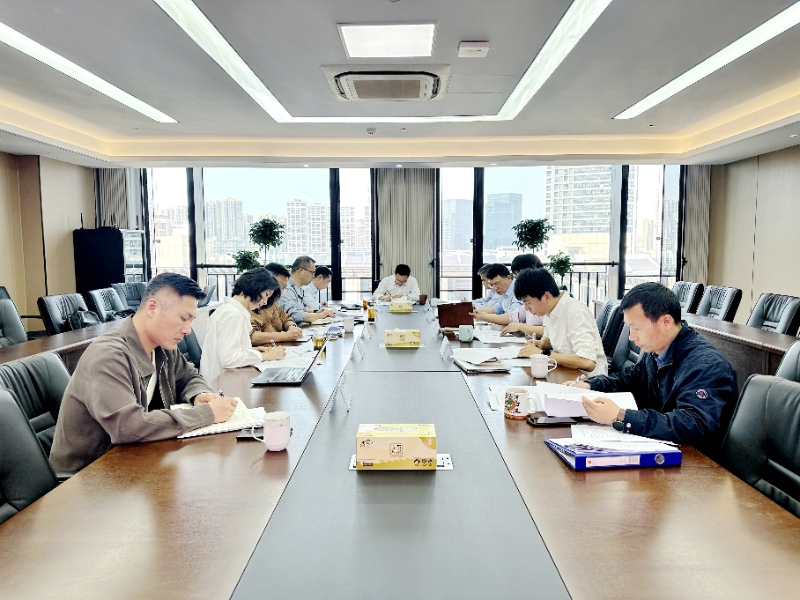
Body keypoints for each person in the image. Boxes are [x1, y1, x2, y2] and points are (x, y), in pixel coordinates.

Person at [50, 273, 239, 473]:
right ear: (152, 307)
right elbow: (128, 426)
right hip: (87, 476)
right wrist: (206, 414)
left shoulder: (163, 346)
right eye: (183, 319)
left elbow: (189, 376)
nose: (187, 330)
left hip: (133, 460)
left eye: (190, 321)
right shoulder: (108, 356)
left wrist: (199, 394)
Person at [566, 282, 738, 451]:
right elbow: (629, 378)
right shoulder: (657, 350)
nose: (631, 337)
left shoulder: (707, 366)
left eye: (636, 328)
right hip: (663, 447)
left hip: (694, 459)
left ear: (666, 322)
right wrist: (589, 385)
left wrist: (621, 415)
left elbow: (693, 424)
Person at [515, 268, 607, 376]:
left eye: (528, 303)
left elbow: (587, 362)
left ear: (546, 296)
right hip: (565, 372)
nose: (526, 308)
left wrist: (542, 354)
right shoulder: (550, 309)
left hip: (587, 379)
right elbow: (551, 340)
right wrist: (540, 344)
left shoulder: (575, 312)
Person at [200, 268, 286, 381]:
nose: (265, 302)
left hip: (221, 378)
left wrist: (252, 351)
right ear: (255, 287)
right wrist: (265, 356)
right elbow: (228, 359)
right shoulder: (234, 315)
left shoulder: (230, 309)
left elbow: (227, 350)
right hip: (222, 382)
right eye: (266, 295)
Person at [250, 263, 304, 344]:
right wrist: (286, 336)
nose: (280, 291)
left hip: (279, 347)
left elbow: (286, 319)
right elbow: (252, 337)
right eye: (279, 285)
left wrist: (291, 327)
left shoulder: (272, 303)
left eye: (284, 287)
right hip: (265, 350)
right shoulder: (252, 304)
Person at [278, 256, 336, 324]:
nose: (313, 276)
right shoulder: (286, 289)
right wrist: (321, 315)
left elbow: (301, 309)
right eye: (312, 272)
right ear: (301, 271)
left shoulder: (298, 288)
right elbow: (295, 315)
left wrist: (316, 312)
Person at [502, 254, 546, 337]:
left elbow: (550, 331)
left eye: (518, 277)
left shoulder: (546, 297)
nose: (517, 281)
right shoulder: (529, 294)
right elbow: (512, 317)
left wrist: (521, 327)